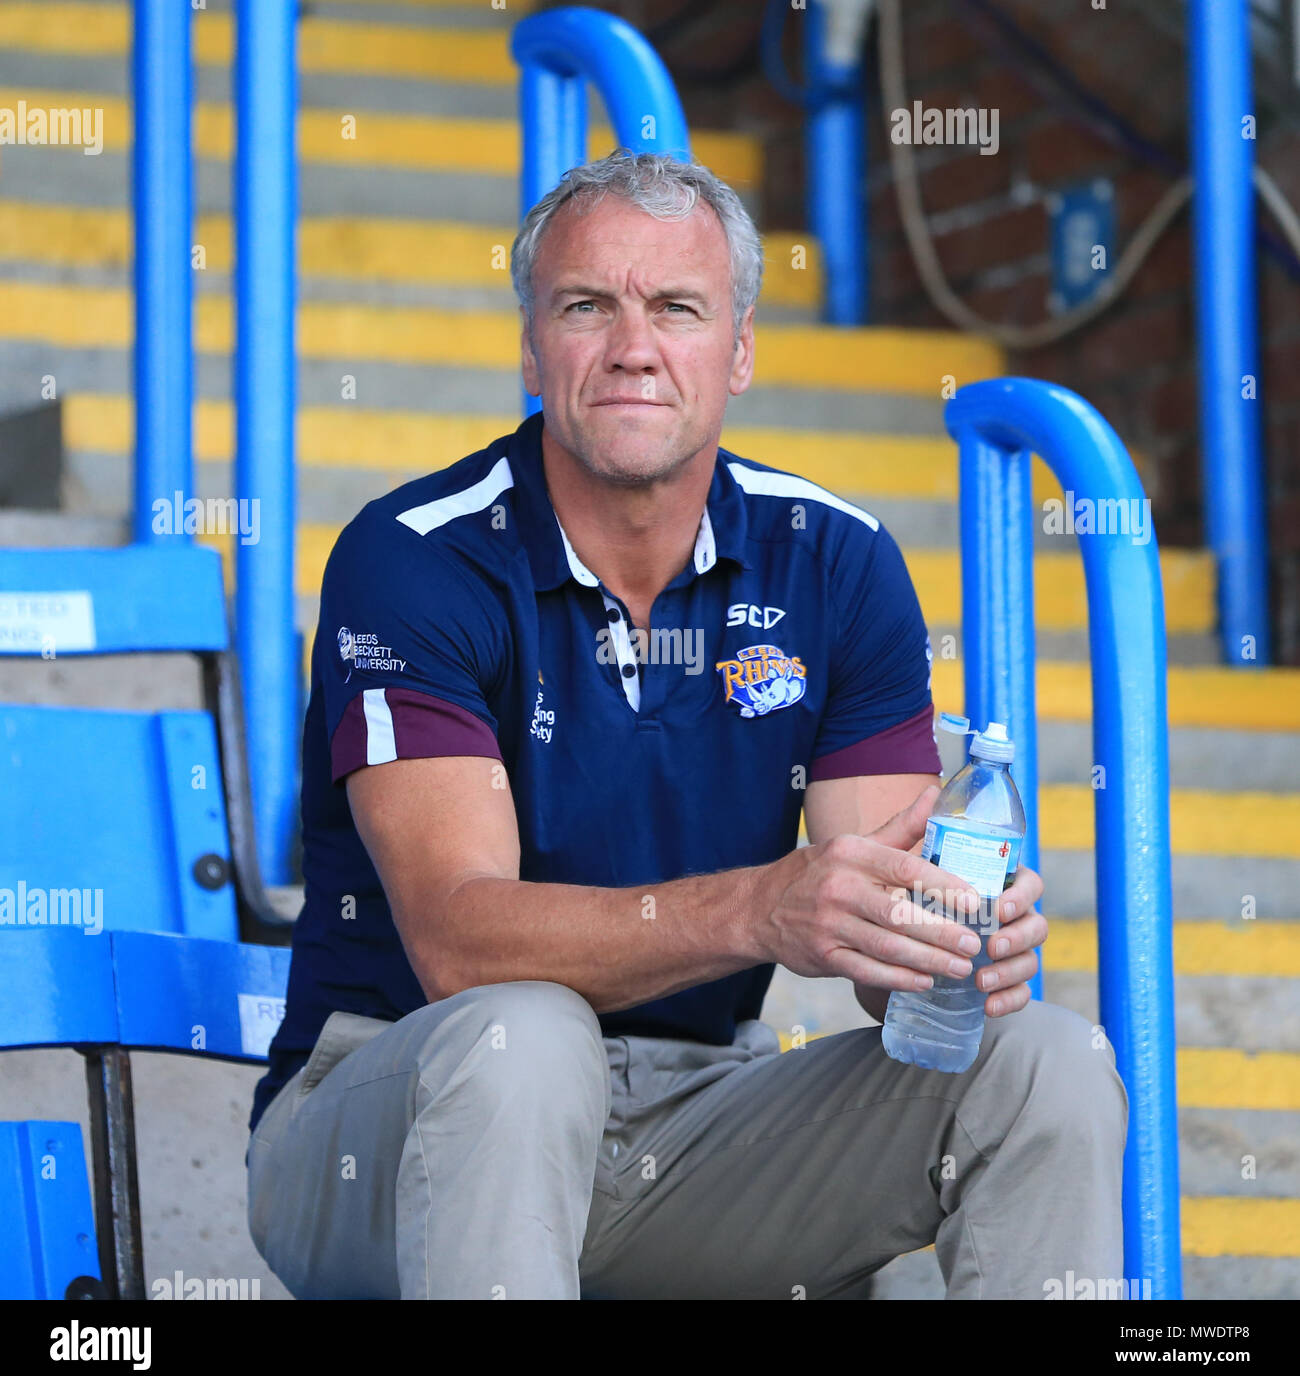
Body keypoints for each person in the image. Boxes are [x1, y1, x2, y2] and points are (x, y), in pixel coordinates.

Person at [245, 150, 1127, 1300]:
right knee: (526, 1035)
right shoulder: (414, 554)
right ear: (529, 346)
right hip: (392, 1113)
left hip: (697, 1117)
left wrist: (940, 942)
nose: (632, 345)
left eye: (676, 307)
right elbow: (459, 944)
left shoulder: (836, 560)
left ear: (740, 349)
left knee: (1047, 1060)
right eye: (584, 306)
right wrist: (764, 903)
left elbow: (883, 957)